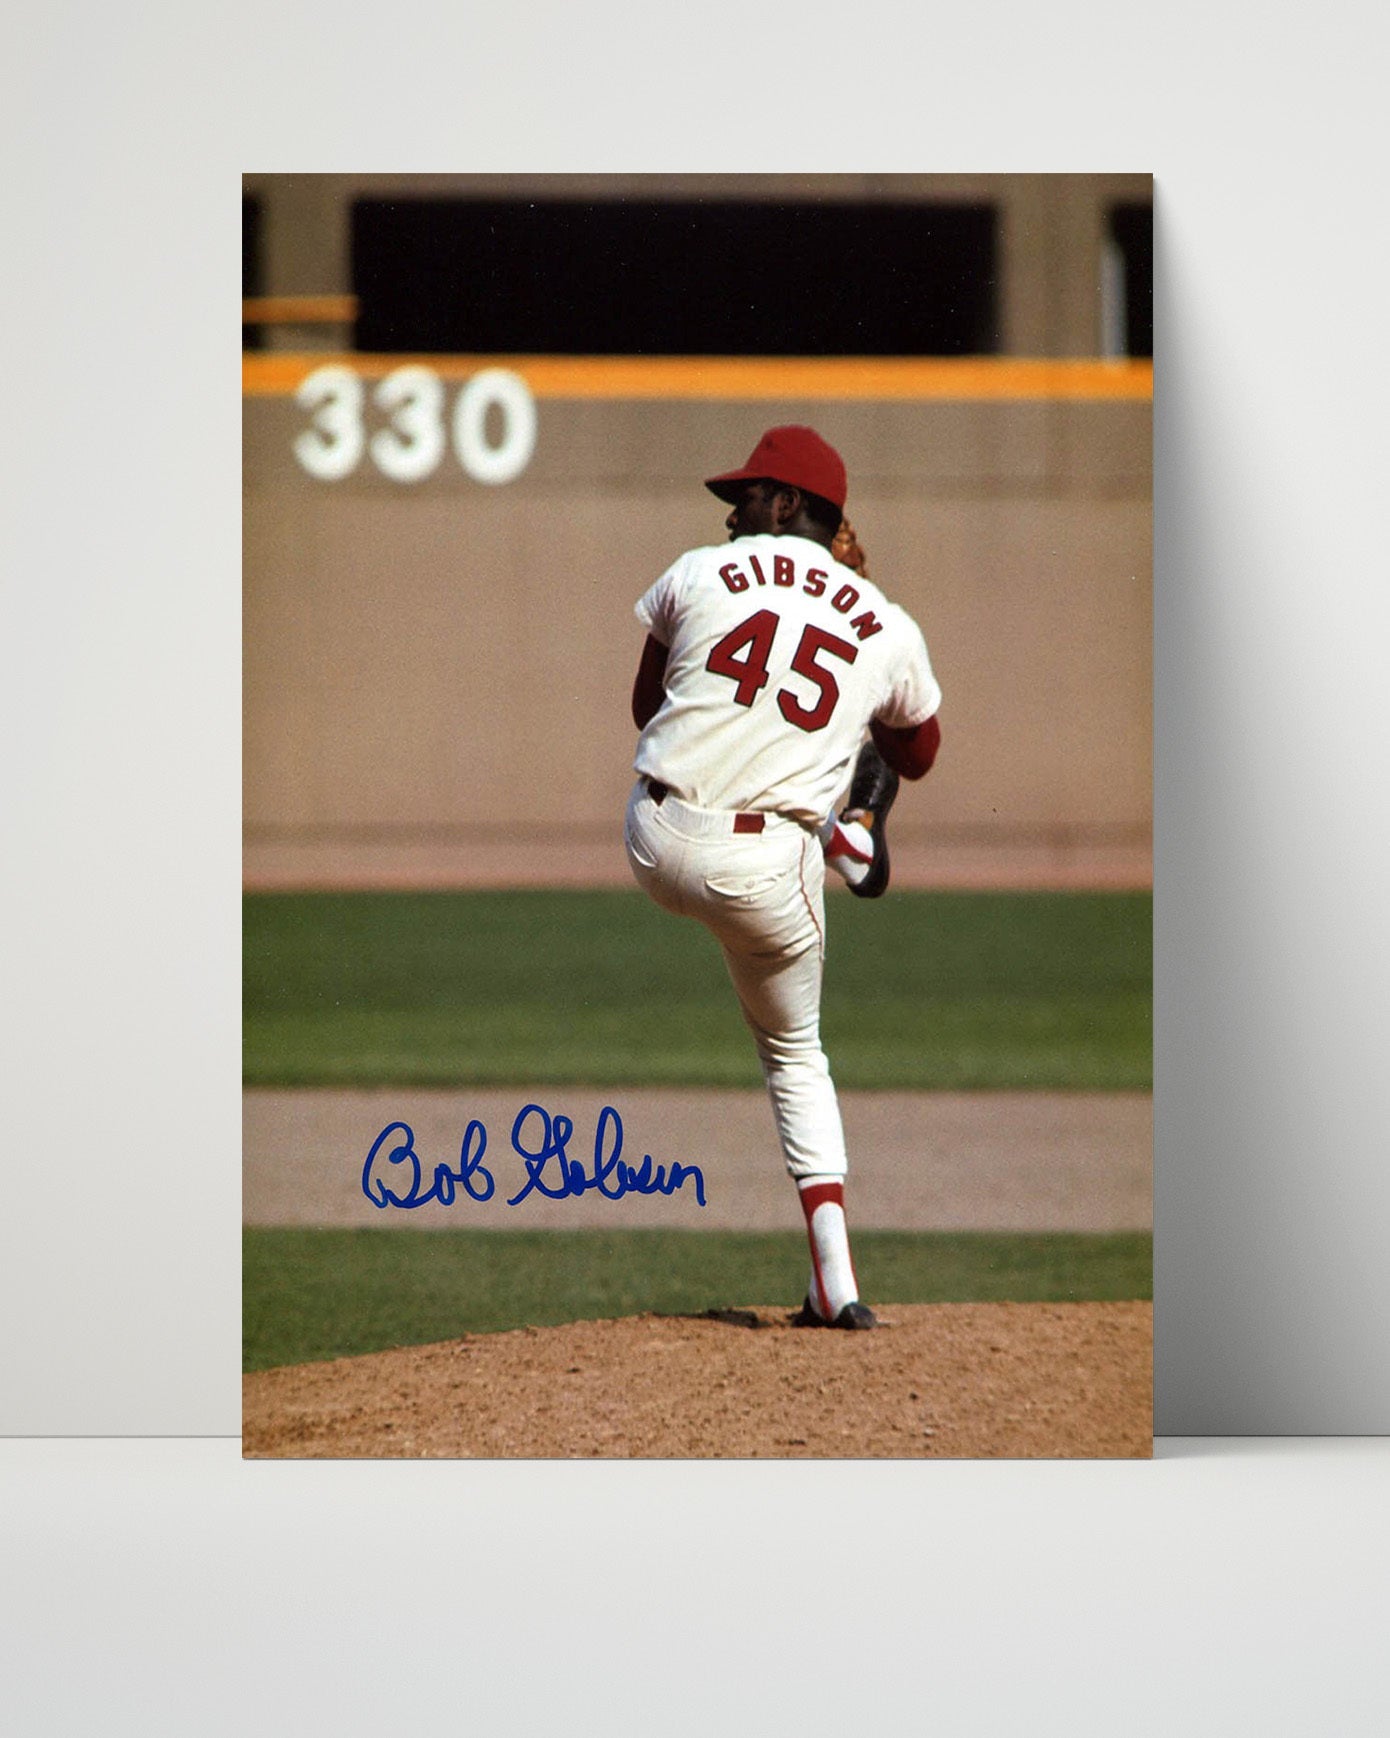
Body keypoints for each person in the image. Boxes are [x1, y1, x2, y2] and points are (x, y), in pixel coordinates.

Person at [624, 425, 942, 1328]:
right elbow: (917, 751)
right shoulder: (886, 619)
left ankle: (838, 831)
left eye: (749, 495)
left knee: (757, 742)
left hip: (654, 836)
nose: (733, 512)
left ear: (789, 503)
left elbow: (648, 705)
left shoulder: (695, 571)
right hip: (770, 870)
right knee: (796, 1056)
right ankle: (837, 1285)